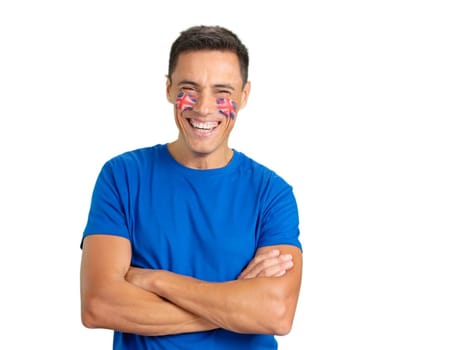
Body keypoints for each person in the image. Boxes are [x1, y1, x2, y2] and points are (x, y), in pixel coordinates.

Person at [79, 25, 303, 349]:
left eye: (222, 93)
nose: (204, 108)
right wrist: (235, 306)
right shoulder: (123, 177)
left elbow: (277, 313)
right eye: (190, 88)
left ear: (244, 95)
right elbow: (99, 304)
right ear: (169, 89)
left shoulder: (272, 194)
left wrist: (153, 279)